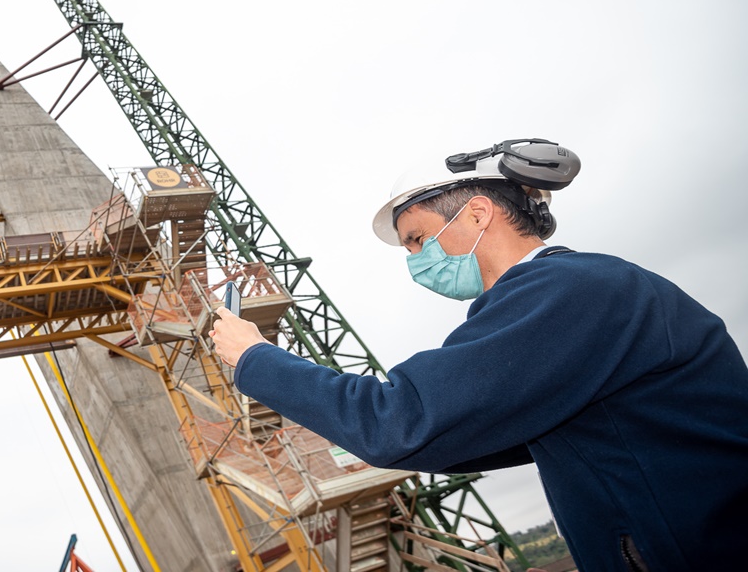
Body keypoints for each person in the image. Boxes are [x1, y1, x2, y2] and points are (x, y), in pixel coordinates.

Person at [209, 139, 748, 571]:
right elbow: (447, 438)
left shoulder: (566, 293)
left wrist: (255, 357)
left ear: (477, 213)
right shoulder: (572, 298)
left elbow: (401, 423)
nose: (416, 260)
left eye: (418, 238)